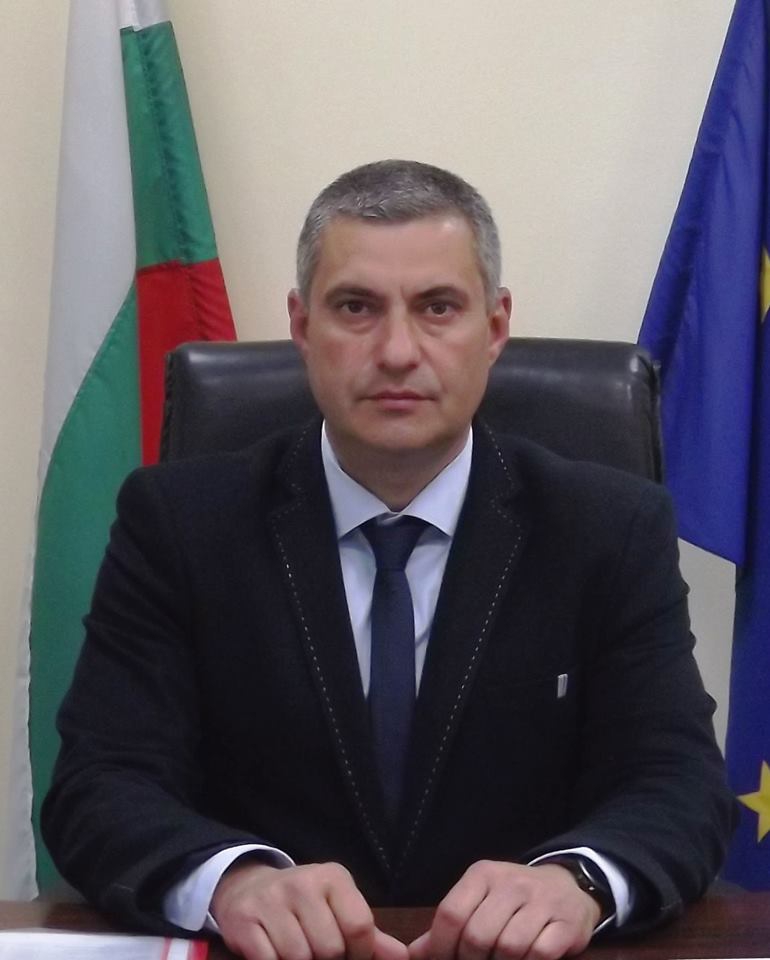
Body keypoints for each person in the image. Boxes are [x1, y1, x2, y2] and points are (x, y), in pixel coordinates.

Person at [43, 160, 735, 960]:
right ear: (302, 326)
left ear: (495, 327)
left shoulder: (609, 528)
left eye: (438, 307)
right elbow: (100, 784)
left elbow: (678, 784)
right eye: (356, 308)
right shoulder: (178, 524)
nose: (398, 350)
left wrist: (577, 880)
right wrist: (234, 882)